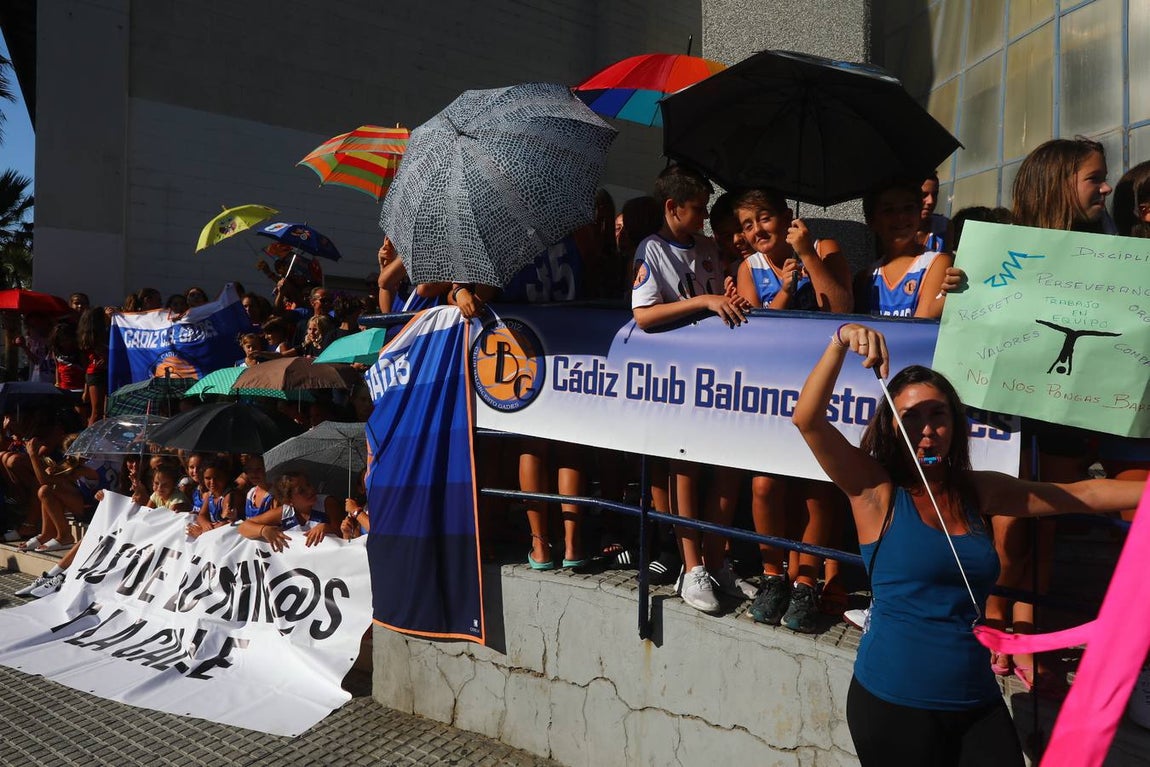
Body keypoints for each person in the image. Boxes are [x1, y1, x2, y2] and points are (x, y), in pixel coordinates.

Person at [791, 321, 1144, 766]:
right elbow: (807, 420)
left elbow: (1085, 494)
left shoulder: (981, 491)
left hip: (975, 698)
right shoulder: (874, 492)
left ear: (955, 423)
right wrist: (841, 338)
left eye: (937, 414)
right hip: (894, 702)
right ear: (893, 426)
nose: (926, 428)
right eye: (910, 416)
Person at [989, 136, 1113, 689]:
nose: (1107, 187)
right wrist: (956, 287)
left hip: (1066, 412)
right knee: (1008, 526)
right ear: (1061, 183)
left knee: (1045, 526)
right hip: (1007, 413)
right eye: (1094, 178)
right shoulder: (1005, 245)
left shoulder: (1110, 247)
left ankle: (1028, 631)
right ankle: (995, 627)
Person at [632, 164, 751, 613]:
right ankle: (691, 567)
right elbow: (643, 315)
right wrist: (704, 301)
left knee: (725, 464)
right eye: (697, 209)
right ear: (671, 208)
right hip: (676, 375)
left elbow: (715, 292)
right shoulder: (652, 250)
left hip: (716, 369)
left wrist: (726, 297)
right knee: (683, 467)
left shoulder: (705, 246)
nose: (703, 218)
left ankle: (718, 560)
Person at [734, 188, 852, 313]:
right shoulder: (749, 268)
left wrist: (808, 254)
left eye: (765, 218)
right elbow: (755, 327)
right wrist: (784, 292)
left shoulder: (823, 249)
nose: (757, 230)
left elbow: (842, 310)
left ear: (787, 217)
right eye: (748, 226)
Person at [854, 178, 954, 318]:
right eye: (889, 210)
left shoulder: (937, 263)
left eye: (908, 208)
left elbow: (920, 327)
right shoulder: (864, 279)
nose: (901, 217)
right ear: (871, 221)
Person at [238, 471, 341, 551]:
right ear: (289, 501)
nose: (310, 491)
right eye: (301, 491)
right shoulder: (284, 512)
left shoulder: (327, 503)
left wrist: (327, 528)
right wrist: (264, 530)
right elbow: (243, 527)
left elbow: (343, 535)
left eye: (308, 485)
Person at [918, 170, 949, 252]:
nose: (931, 201)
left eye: (935, 195)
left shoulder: (944, 226)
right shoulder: (894, 230)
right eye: (923, 195)